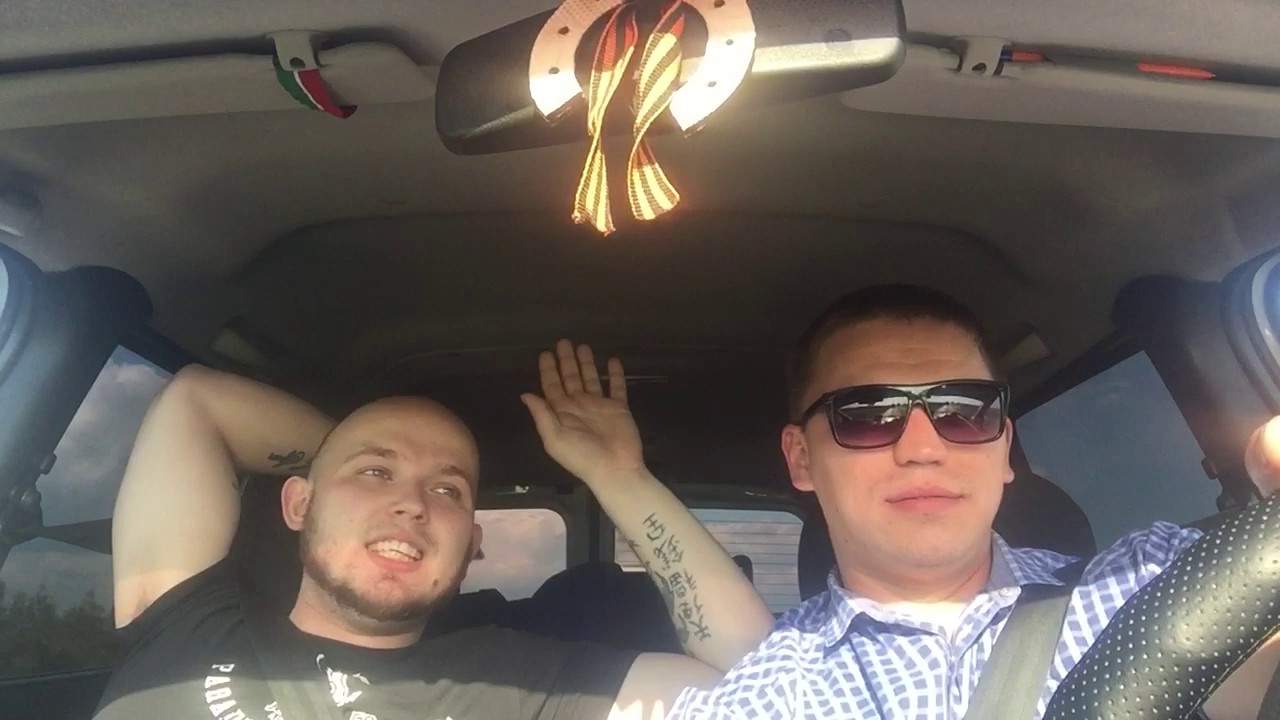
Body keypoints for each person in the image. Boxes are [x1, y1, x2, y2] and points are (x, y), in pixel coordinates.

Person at [667, 284, 1280, 720]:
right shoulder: (767, 691)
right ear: (802, 458)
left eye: (963, 411)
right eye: (868, 414)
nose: (923, 448)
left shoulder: (1150, 584)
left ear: (1004, 446)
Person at [94, 340, 773, 720]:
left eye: (447, 490)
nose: (412, 504)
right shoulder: (185, 620)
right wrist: (341, 455)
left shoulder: (521, 686)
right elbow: (196, 399)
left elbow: (763, 686)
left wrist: (620, 477)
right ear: (299, 504)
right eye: (376, 473)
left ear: (472, 545)